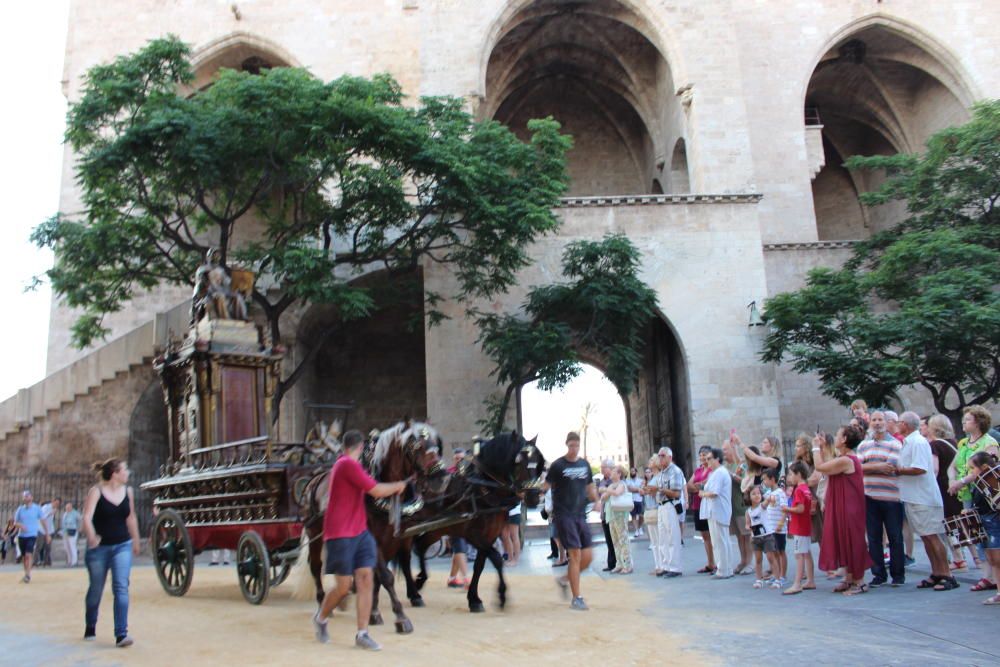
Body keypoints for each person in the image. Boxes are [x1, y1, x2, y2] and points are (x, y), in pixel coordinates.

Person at [312, 430, 407, 651]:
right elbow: (375, 490)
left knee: (366, 579)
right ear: (361, 447)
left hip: (360, 532)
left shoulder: (350, 466)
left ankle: (362, 634)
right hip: (340, 534)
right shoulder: (346, 464)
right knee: (343, 588)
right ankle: (320, 618)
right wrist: (398, 486)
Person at [82, 458, 140, 647]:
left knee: (121, 587)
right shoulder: (96, 492)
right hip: (99, 549)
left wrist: (136, 540)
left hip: (122, 545)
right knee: (96, 590)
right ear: (115, 473)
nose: (128, 472)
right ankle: (91, 625)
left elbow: (130, 517)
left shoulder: (128, 492)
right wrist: (91, 537)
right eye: (125, 469)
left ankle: (121, 634)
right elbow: (87, 517)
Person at [895, 411, 956, 591]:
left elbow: (920, 468)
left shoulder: (918, 442)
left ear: (905, 424)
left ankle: (946, 574)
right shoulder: (910, 442)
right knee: (926, 537)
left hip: (924, 497)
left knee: (933, 536)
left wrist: (899, 470)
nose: (898, 425)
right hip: (914, 496)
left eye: (899, 422)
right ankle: (936, 572)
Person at [816, 424, 873, 596]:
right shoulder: (843, 458)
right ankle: (849, 577)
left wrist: (814, 447)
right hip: (842, 504)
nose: (836, 436)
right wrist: (822, 446)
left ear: (845, 439)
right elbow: (828, 464)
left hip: (850, 507)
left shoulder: (847, 460)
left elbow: (820, 467)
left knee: (853, 540)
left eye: (838, 434)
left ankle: (859, 581)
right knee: (843, 539)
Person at [948, 404, 999, 590]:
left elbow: (989, 470)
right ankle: (987, 576)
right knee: (976, 534)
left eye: (968, 419)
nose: (963, 422)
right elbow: (953, 465)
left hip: (984, 495)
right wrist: (953, 479)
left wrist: (961, 481)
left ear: (978, 422)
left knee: (990, 533)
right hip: (967, 494)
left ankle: (994, 577)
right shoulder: (963, 443)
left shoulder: (989, 443)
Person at [547, 431, 599, 611]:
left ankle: (564, 580)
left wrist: (597, 500)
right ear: (566, 445)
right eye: (571, 445)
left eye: (576, 445)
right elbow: (545, 486)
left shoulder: (585, 465)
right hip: (564, 515)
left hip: (580, 515)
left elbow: (591, 488)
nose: (574, 449)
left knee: (588, 557)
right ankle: (577, 598)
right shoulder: (557, 465)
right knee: (575, 554)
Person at [857, 410, 905, 587]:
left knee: (895, 536)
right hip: (869, 496)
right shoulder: (863, 445)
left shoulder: (895, 444)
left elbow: (890, 466)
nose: (877, 423)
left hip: (891, 496)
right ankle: (878, 574)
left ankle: (898, 574)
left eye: (880, 420)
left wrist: (868, 466)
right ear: (870, 423)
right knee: (874, 537)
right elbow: (858, 467)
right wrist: (877, 466)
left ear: (886, 422)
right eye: (874, 420)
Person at [926, 414, 966, 570]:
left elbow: (934, 469)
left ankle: (958, 558)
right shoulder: (954, 443)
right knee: (957, 520)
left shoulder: (935, 445)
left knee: (949, 523)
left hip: (942, 486)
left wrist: (929, 488)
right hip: (955, 485)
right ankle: (973, 558)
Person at [965, 452, 1000, 605]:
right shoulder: (979, 483)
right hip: (984, 520)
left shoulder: (993, 480)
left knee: (997, 559)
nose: (971, 472)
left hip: (994, 521)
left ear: (984, 467)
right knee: (992, 560)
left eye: (973, 468)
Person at [698, 447, 734, 579]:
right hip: (715, 510)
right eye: (706, 459)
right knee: (720, 540)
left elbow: (714, 492)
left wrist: (703, 494)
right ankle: (725, 568)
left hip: (718, 510)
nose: (707, 461)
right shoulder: (715, 473)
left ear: (717, 459)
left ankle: (723, 569)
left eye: (709, 459)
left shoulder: (719, 472)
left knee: (720, 541)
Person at [781, 461, 815, 594]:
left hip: (799, 527)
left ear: (798, 475)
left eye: (790, 474)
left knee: (799, 555)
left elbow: (800, 509)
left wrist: (787, 509)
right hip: (804, 526)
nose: (789, 477)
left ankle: (797, 583)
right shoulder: (806, 488)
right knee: (806, 553)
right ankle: (810, 580)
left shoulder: (799, 490)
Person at [655, 446, 685, 577]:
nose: (660, 458)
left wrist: (660, 490)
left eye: (663, 456)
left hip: (670, 505)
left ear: (670, 457)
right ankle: (666, 565)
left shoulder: (675, 471)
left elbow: (676, 493)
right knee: (663, 538)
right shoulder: (662, 472)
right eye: (659, 456)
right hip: (661, 505)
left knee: (672, 536)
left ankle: (675, 567)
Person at [722, 438, 751, 575]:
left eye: (726, 449)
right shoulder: (725, 466)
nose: (723, 452)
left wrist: (732, 476)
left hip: (741, 504)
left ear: (733, 450)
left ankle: (749, 562)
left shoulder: (741, 465)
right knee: (739, 536)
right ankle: (743, 560)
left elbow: (745, 481)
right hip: (731, 506)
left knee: (746, 535)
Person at [686, 446, 716, 574]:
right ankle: (710, 562)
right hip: (698, 504)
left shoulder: (712, 470)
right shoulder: (698, 470)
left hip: (708, 503)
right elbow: (688, 485)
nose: (702, 457)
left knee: (712, 534)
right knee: (704, 535)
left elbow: (708, 485)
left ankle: (716, 562)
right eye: (701, 455)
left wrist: (698, 487)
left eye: (705, 455)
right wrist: (700, 488)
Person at [600, 465, 633, 574]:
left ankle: (627, 564)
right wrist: (608, 490)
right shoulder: (611, 485)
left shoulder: (621, 484)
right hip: (611, 515)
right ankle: (619, 564)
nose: (611, 473)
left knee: (623, 540)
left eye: (614, 471)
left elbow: (617, 493)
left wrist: (606, 489)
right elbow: (603, 497)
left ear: (619, 474)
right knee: (615, 541)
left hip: (620, 515)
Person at [13, 490, 47, 584]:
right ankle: (26, 573)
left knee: (29, 554)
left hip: (32, 535)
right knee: (24, 557)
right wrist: (21, 526)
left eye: (28, 496)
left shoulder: (37, 508)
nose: (26, 498)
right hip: (21, 536)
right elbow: (15, 522)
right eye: (24, 496)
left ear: (31, 497)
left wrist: (47, 533)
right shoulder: (20, 509)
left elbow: (43, 520)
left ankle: (28, 574)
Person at [745, 486, 777, 589]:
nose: (757, 495)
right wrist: (749, 527)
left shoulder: (762, 506)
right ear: (749, 497)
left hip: (767, 536)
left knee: (771, 558)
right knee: (758, 559)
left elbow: (767, 500)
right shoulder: (748, 511)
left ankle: (777, 579)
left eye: (758, 493)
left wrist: (770, 498)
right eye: (753, 494)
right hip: (756, 537)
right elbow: (747, 524)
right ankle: (759, 579)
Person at [761, 469, 788, 587]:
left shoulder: (780, 492)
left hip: (778, 528)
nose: (764, 482)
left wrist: (781, 524)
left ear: (772, 479)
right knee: (774, 552)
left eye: (765, 479)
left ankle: (783, 576)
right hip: (770, 528)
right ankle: (776, 575)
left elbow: (784, 509)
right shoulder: (769, 493)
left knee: (781, 551)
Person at [642, 457, 664, 574]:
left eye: (651, 461)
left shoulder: (659, 477)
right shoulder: (651, 479)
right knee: (654, 541)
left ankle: (663, 565)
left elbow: (658, 491)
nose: (649, 463)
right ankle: (657, 565)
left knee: (659, 539)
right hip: (650, 509)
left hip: (656, 508)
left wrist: (647, 490)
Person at [596, 459, 617, 572]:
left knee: (614, 539)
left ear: (610, 468)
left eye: (604, 467)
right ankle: (611, 563)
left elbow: (609, 494)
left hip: (613, 514)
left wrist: (605, 491)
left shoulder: (615, 481)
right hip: (604, 513)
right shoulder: (601, 481)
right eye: (601, 467)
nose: (602, 469)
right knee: (608, 540)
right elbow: (600, 495)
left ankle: (616, 562)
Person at [37, 497, 60, 567]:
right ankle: (35, 562)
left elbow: (50, 521)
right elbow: (42, 517)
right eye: (56, 503)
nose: (57, 505)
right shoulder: (46, 507)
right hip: (41, 530)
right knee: (39, 546)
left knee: (48, 547)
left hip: (50, 530)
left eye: (58, 504)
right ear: (53, 501)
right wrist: (51, 513)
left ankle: (46, 561)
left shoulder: (54, 509)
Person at [626, 467, 645, 538]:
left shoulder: (641, 480)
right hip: (631, 500)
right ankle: (636, 530)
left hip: (640, 500)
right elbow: (629, 489)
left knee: (641, 516)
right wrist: (638, 489)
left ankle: (640, 527)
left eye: (633, 471)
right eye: (631, 471)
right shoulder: (628, 481)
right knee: (633, 516)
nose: (632, 472)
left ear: (636, 472)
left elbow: (643, 489)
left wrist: (636, 489)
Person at [61, 501, 82, 567]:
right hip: (65, 532)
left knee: (72, 546)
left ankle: (74, 561)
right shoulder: (65, 514)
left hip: (72, 531)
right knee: (67, 547)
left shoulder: (75, 513)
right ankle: (69, 561)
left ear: (71, 507)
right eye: (67, 507)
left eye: (69, 507)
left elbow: (81, 520)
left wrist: (79, 528)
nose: (68, 508)